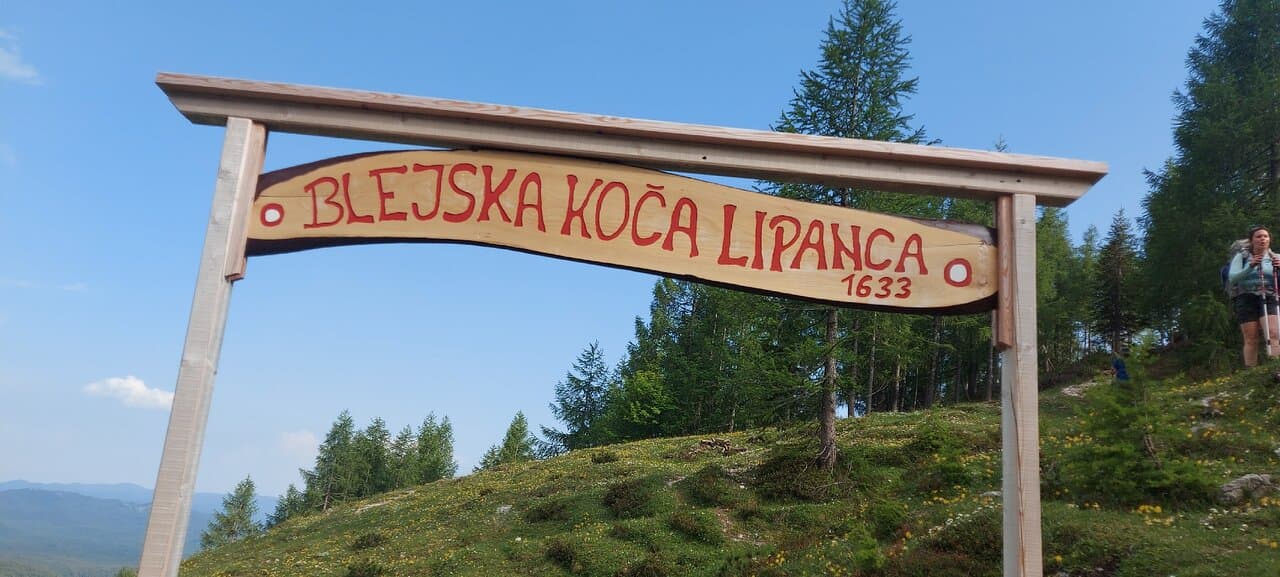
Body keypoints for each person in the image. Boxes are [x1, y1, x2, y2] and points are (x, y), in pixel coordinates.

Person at [1227, 224, 1280, 366]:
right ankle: (1252, 372)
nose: (1262, 239)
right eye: (1258, 236)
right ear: (1251, 240)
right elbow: (1233, 277)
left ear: (1269, 240)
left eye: (1265, 236)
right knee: (1251, 338)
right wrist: (1250, 267)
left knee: (1273, 333)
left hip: (1269, 296)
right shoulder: (1242, 257)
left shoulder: (1276, 257)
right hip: (1246, 297)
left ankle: (1275, 367)